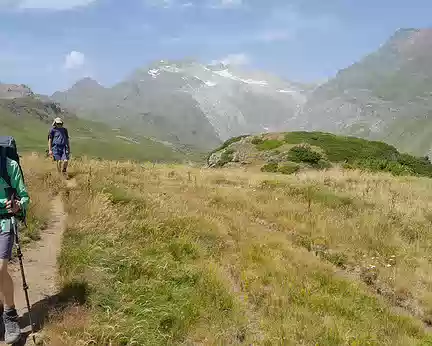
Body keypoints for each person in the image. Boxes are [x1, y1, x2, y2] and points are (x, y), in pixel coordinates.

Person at [0, 156, 30, 344]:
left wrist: (18, 205)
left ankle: (10, 316)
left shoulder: (10, 166)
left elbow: (24, 197)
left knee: (0, 268)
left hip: (5, 221)